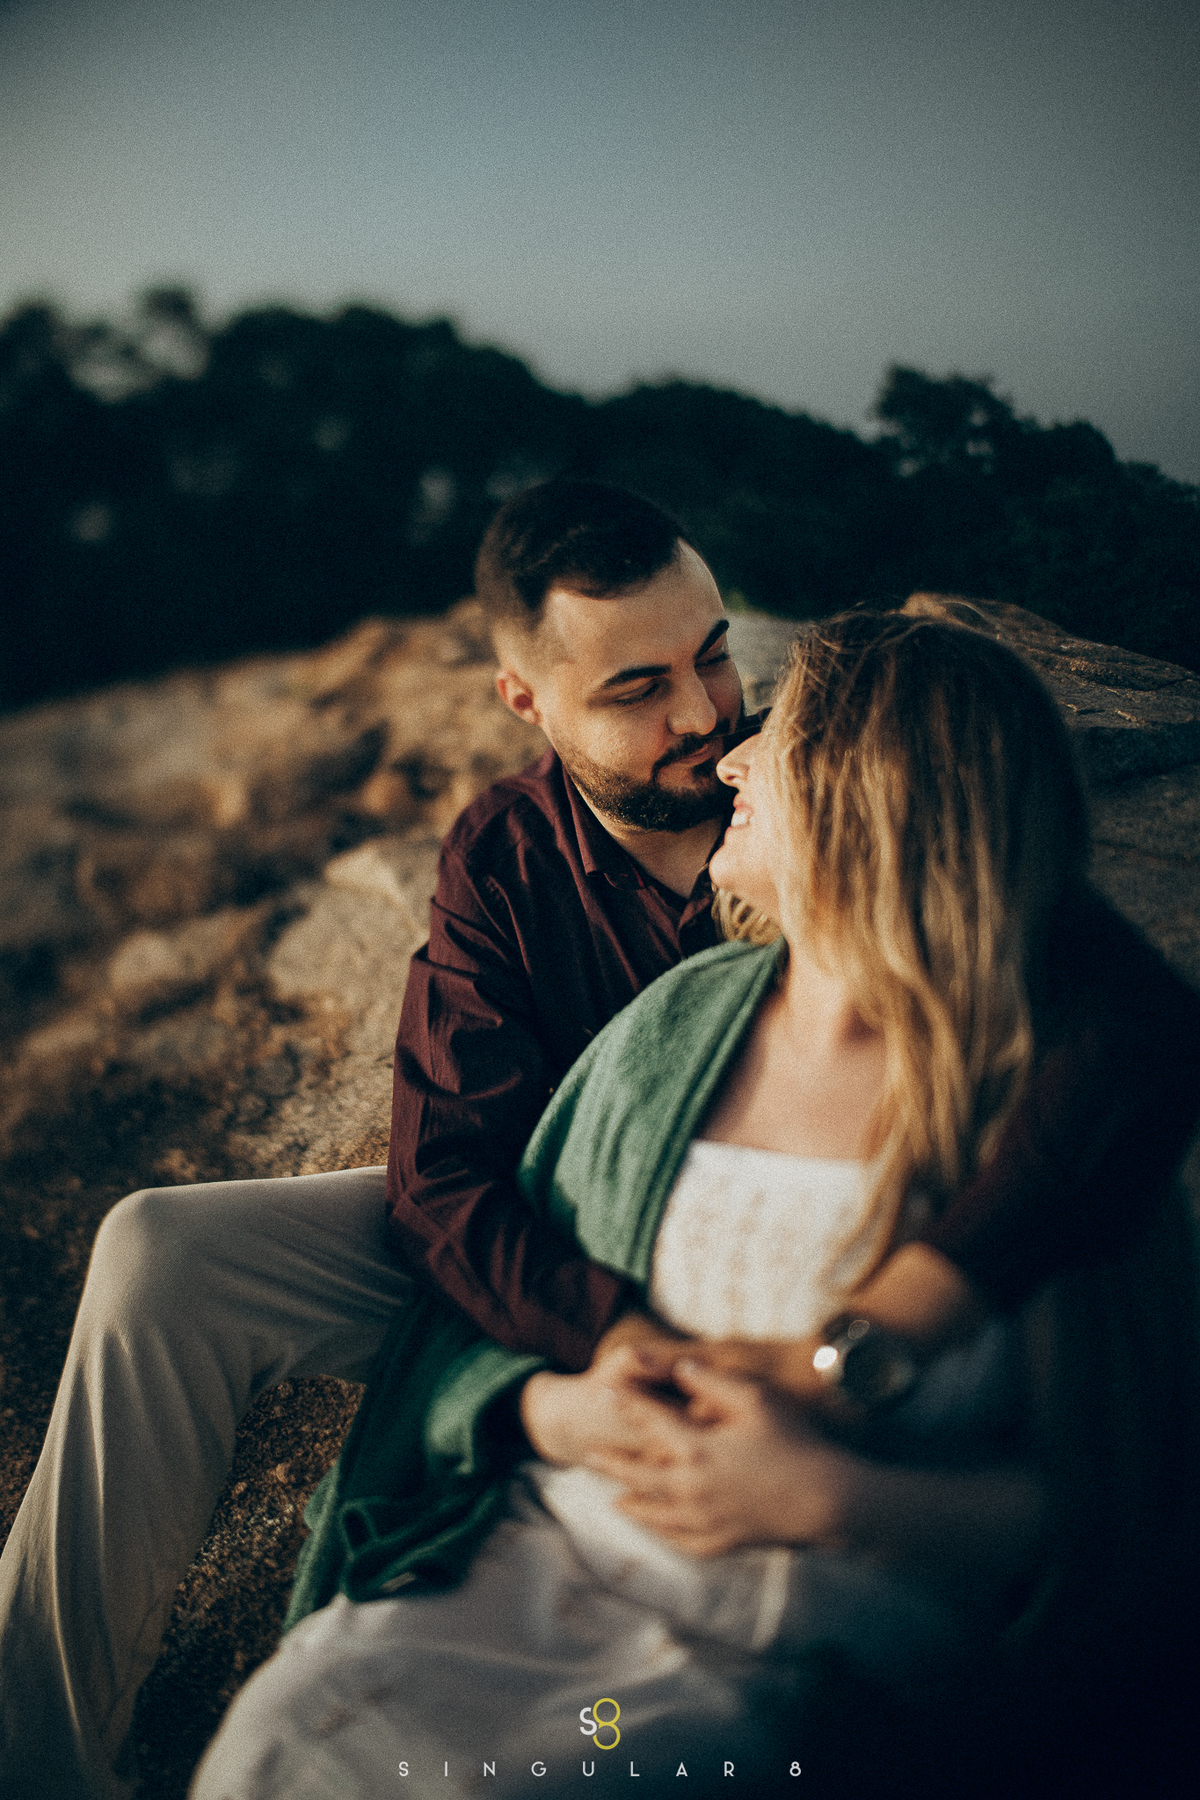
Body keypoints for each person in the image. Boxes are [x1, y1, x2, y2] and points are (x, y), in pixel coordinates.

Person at [1, 484, 1197, 1800]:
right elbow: (443, 1179)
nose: (703, 719)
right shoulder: (509, 853)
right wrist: (607, 1352)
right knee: (160, 1248)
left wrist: (886, 1327)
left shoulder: (849, 811)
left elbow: (1129, 1023)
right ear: (528, 701)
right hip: (565, 1237)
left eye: (712, 657)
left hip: (780, 1313)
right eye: (637, 689)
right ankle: (32, 1753)